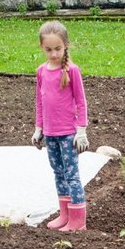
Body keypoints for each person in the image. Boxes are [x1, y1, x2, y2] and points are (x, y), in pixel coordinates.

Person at [31, 20, 89, 231]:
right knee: (58, 173)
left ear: (65, 46)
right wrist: (39, 128)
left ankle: (77, 220)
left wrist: (81, 131)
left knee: (71, 175)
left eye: (57, 49)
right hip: (50, 133)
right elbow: (40, 101)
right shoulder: (41, 71)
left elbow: (81, 101)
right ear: (42, 48)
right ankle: (64, 215)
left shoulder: (72, 70)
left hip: (68, 134)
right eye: (48, 49)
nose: (53, 54)